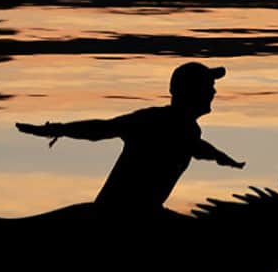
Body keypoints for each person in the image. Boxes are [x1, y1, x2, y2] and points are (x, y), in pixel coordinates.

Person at [16, 62, 245, 210]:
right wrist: (58, 129)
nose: (213, 92)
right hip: (119, 215)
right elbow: (101, 129)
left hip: (149, 213)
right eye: (208, 86)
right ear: (190, 92)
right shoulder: (153, 120)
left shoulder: (187, 129)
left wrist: (222, 157)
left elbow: (196, 146)